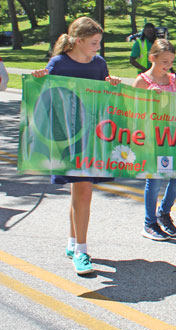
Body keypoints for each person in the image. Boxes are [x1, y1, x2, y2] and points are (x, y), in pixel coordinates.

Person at [32, 17, 121, 275]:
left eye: (99, 43)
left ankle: (74, 244)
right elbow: (42, 97)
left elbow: (103, 95)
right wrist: (39, 78)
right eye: (94, 43)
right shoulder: (58, 63)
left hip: (92, 136)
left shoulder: (99, 63)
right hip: (67, 137)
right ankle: (81, 251)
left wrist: (111, 84)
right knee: (81, 191)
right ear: (78, 41)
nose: (98, 48)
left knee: (80, 191)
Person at [132, 39, 176, 241]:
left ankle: (164, 212)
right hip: (152, 136)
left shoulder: (171, 79)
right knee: (155, 180)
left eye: (170, 61)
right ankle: (149, 222)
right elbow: (132, 110)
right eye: (164, 61)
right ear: (152, 58)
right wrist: (147, 98)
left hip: (172, 135)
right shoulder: (142, 80)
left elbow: (175, 106)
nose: (168, 65)